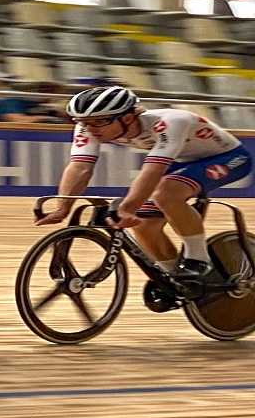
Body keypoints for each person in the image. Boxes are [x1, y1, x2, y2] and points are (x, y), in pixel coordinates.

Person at [36, 86, 252, 285]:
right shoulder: (88, 128)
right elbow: (80, 168)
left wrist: (127, 208)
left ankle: (198, 259)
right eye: (82, 121)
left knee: (166, 193)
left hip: (228, 158)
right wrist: (62, 208)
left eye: (99, 121)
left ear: (128, 117)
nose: (89, 128)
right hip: (180, 161)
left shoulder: (170, 122)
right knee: (143, 224)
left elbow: (153, 170)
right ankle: (176, 280)